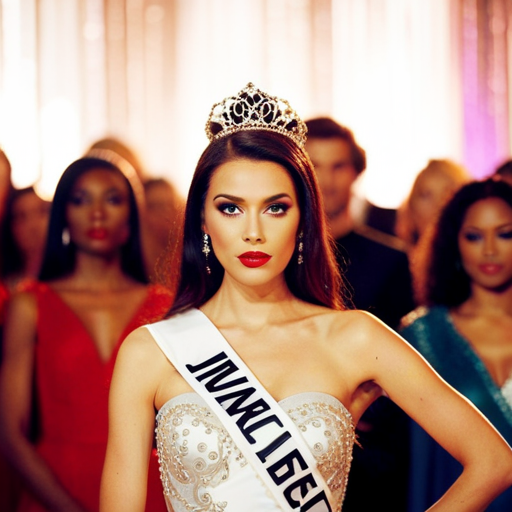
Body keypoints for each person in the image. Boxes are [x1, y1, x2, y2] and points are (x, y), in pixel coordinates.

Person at [100, 83, 512, 512]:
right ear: (202, 219)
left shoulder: (356, 338)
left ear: (304, 219)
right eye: (230, 208)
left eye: (275, 207)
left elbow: (494, 461)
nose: (253, 231)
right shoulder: (150, 352)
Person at [0, 152, 173, 512]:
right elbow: (10, 433)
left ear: (131, 213)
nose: (97, 212)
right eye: (80, 200)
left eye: (112, 199)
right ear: (63, 211)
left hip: (147, 491)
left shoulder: (166, 307)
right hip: (54, 487)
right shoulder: (30, 305)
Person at [304, 116, 414, 510]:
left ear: (356, 171)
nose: (328, 180)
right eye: (315, 166)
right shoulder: (275, 260)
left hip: (372, 454)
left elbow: (410, 359)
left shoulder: (393, 260)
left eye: (338, 166)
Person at [400, 178, 512, 511]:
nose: (489, 249)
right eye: (474, 236)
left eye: (505, 234)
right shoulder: (422, 335)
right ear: (455, 243)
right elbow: (416, 465)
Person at [396, 159, 470, 250]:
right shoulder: (393, 261)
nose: (437, 205)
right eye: (425, 195)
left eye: (447, 194)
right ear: (411, 207)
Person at [0, 186, 51, 291]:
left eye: (42, 211)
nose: (34, 225)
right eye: (22, 216)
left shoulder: (71, 281)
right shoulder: (5, 289)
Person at [141, 177, 184, 285]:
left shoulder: (189, 259)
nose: (164, 213)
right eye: (156, 206)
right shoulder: (127, 262)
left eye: (170, 205)